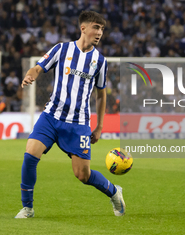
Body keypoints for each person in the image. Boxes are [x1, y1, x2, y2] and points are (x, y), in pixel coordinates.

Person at [15, 11, 125, 218]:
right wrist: (30, 76)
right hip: (51, 117)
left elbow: (102, 96)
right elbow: (38, 68)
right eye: (96, 27)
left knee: (82, 175)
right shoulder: (62, 49)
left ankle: (113, 191)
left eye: (102, 29)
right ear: (83, 28)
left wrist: (99, 127)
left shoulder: (100, 61)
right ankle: (27, 207)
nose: (100, 32)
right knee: (30, 155)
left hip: (78, 123)